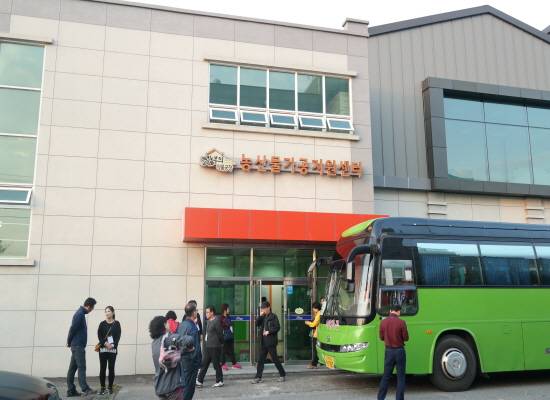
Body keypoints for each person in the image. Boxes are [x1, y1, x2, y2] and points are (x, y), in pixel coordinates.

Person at [150, 316, 194, 400]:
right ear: (164, 325)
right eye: (167, 323)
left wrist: (184, 350)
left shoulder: (154, 343)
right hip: (172, 386)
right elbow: (189, 340)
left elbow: (170, 355)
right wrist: (190, 346)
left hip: (160, 386)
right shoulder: (168, 339)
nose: (169, 324)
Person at [377, 304, 409, 400]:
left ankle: (380, 398)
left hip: (389, 351)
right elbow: (406, 338)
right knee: (400, 377)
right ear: (398, 311)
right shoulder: (401, 322)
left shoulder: (383, 322)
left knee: (386, 376)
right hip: (399, 351)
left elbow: (381, 337)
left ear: (390, 311)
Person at [66, 297, 97, 397]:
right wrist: (68, 341)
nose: (91, 310)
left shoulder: (80, 313)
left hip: (76, 345)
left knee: (72, 368)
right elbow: (73, 329)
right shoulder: (79, 314)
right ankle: (85, 389)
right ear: (89, 306)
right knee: (81, 367)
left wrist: (70, 342)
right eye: (92, 308)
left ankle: (71, 390)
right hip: (78, 346)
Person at [251, 301, 286, 384]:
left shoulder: (273, 316)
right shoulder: (263, 316)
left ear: (268, 308)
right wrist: (260, 316)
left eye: (264, 308)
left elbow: (277, 327)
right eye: (262, 308)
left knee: (275, 359)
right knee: (260, 360)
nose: (263, 310)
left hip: (270, 341)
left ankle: (282, 374)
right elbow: (256, 324)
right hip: (263, 342)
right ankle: (258, 377)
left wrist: (269, 331)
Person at [177, 302, 202, 400]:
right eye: (196, 310)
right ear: (193, 312)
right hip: (190, 362)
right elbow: (196, 349)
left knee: (184, 385)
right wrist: (198, 363)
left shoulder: (182, 325)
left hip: (182, 359)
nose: (197, 312)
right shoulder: (192, 327)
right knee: (189, 388)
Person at [196, 306, 224, 388]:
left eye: (208, 312)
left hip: (215, 346)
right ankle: (199, 381)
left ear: (212, 313)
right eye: (206, 312)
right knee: (204, 363)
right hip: (208, 346)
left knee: (216, 364)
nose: (206, 314)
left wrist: (221, 343)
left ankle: (219, 381)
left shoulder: (216, 321)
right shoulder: (208, 321)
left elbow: (220, 334)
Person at [97, 306, 121, 395]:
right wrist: (105, 343)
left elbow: (118, 336)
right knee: (102, 368)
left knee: (111, 368)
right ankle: (102, 387)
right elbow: (99, 335)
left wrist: (112, 345)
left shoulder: (117, 324)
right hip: (103, 349)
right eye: (106, 311)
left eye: (109, 311)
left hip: (112, 350)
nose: (107, 313)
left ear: (113, 312)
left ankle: (110, 387)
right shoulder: (102, 324)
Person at [220, 303, 242, 371]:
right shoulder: (221, 318)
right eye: (228, 308)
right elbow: (224, 326)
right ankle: (223, 364)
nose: (229, 310)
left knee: (231, 350)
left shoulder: (228, 316)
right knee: (224, 351)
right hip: (225, 336)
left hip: (230, 336)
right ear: (225, 310)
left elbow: (230, 325)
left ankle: (234, 363)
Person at [305, 302, 321, 369]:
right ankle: (315, 363)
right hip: (316, 333)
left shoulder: (319, 314)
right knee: (316, 349)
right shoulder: (317, 313)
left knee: (316, 350)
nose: (313, 309)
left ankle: (314, 364)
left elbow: (314, 324)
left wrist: (307, 323)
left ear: (316, 308)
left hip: (317, 334)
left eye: (313, 308)